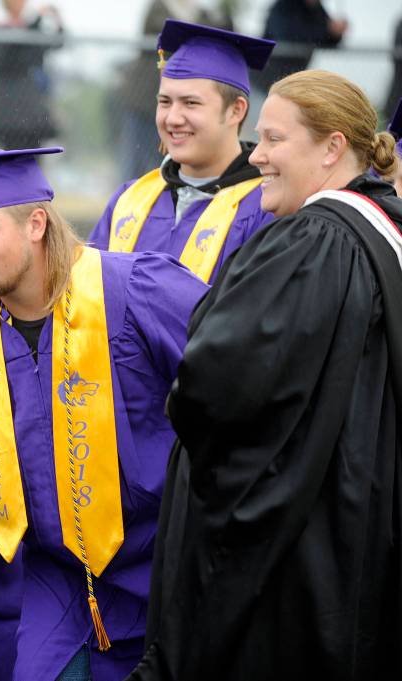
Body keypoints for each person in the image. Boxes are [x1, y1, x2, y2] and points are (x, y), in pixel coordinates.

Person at [127, 69, 402, 680]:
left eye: (275, 140)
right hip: (356, 531)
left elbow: (217, 386)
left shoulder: (313, 240)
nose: (258, 156)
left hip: (287, 553)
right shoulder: (384, 237)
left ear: (332, 147)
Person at [0, 147, 208, 681]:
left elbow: (233, 381)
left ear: (35, 224)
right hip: (58, 582)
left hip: (166, 563)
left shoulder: (136, 292)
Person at [89, 20, 276, 284]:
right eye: (165, 102)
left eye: (191, 103)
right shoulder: (129, 200)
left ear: (237, 110)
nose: (173, 118)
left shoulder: (265, 206)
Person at [112, 0, 233, 181]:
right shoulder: (159, 8)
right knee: (136, 160)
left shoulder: (204, 11)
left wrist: (218, 14)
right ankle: (131, 201)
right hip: (144, 100)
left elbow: (224, 31)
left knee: (170, 160)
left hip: (182, 99)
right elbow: (173, 33)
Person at [0, 0, 60, 151]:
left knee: (33, 159)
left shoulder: (33, 30)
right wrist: (34, 20)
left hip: (32, 107)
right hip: (9, 107)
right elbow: (2, 58)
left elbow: (57, 43)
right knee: (11, 157)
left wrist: (56, 18)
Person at [253, 0, 348, 94]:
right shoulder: (283, 5)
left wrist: (336, 33)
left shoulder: (316, 9)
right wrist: (327, 30)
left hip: (291, 80)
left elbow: (326, 39)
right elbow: (288, 36)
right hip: (264, 78)